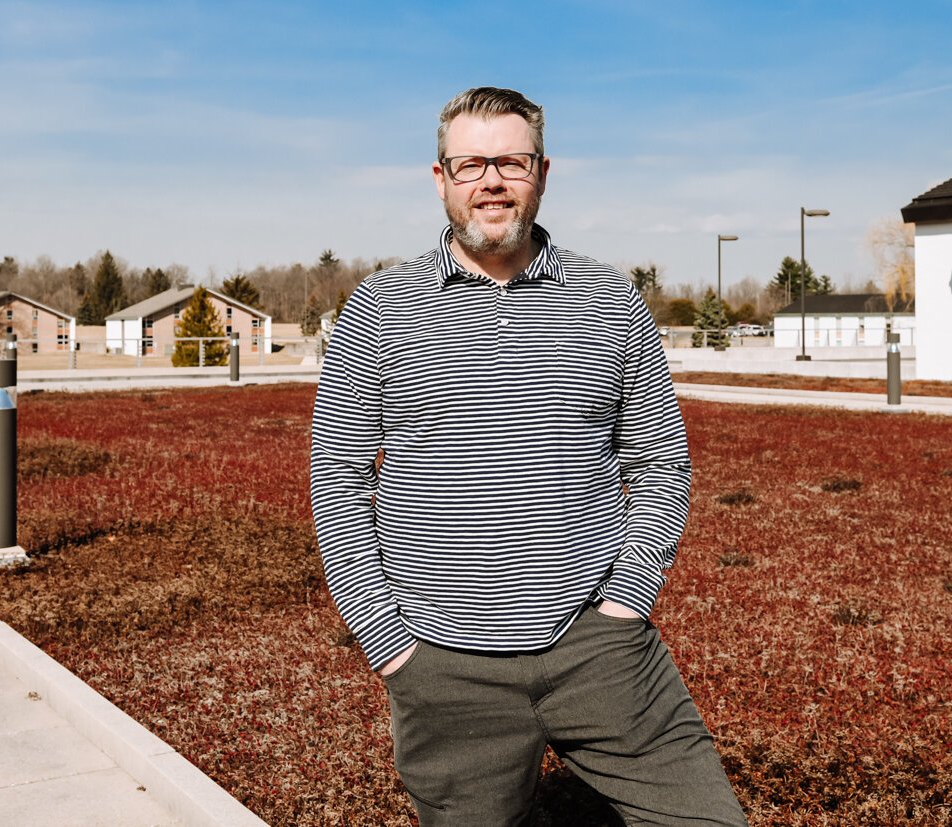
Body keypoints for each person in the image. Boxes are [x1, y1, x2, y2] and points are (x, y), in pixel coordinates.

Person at [310, 87, 746, 825]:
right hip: (444, 666)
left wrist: (626, 600)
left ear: (542, 171)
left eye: (510, 161)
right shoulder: (380, 309)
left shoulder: (610, 300)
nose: (490, 180)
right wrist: (391, 648)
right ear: (440, 176)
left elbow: (661, 462)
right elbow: (339, 481)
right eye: (469, 163)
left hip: (599, 648)